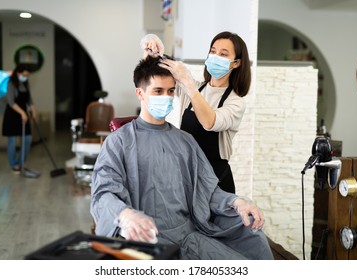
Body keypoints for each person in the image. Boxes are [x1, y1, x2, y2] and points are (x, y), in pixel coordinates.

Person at [90, 56, 274, 260]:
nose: (166, 97)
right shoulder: (119, 142)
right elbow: (104, 192)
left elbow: (207, 191)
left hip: (189, 236)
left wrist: (237, 202)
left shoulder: (185, 141)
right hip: (147, 239)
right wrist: (125, 215)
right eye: (158, 91)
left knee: (250, 239)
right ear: (140, 93)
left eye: (170, 91)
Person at [141, 32, 251, 194]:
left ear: (236, 63)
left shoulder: (235, 102)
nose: (215, 56)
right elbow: (152, 75)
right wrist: (152, 50)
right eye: (213, 51)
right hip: (187, 176)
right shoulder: (195, 88)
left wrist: (188, 85)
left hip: (216, 182)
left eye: (223, 54)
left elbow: (210, 122)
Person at [2, 64, 38, 174]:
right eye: (23, 74)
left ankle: (21, 162)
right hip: (12, 114)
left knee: (27, 139)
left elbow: (29, 99)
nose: (25, 77)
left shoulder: (25, 83)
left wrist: (33, 110)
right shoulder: (11, 83)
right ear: (18, 73)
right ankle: (14, 165)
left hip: (24, 115)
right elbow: (11, 102)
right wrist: (22, 112)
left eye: (27, 75)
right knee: (12, 142)